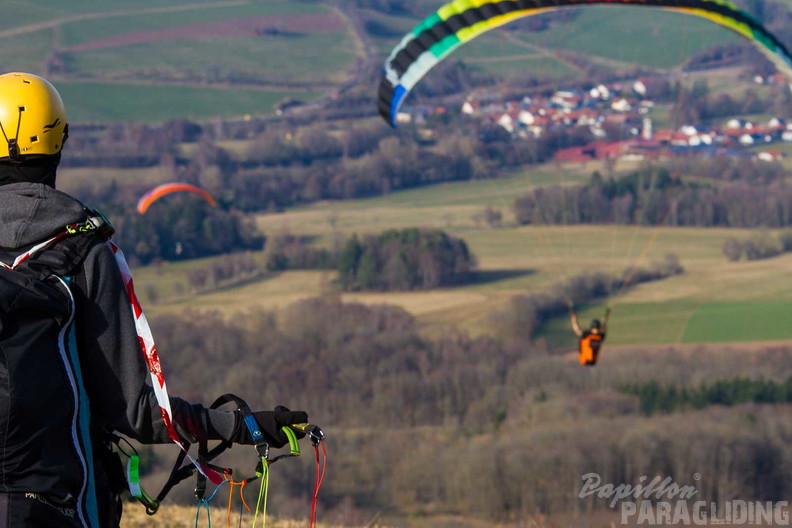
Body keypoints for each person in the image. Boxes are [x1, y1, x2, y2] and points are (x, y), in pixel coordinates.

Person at [0, 72, 308, 527]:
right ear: (58, 142)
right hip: (53, 503)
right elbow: (138, 411)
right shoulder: (83, 251)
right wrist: (240, 425)